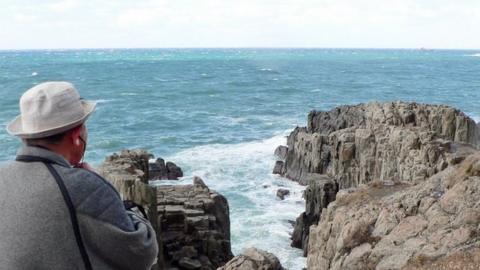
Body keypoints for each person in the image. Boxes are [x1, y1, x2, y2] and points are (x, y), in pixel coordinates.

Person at [0, 82, 158, 270]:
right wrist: (120, 202)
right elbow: (142, 252)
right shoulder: (82, 185)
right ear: (76, 135)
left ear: (24, 135)